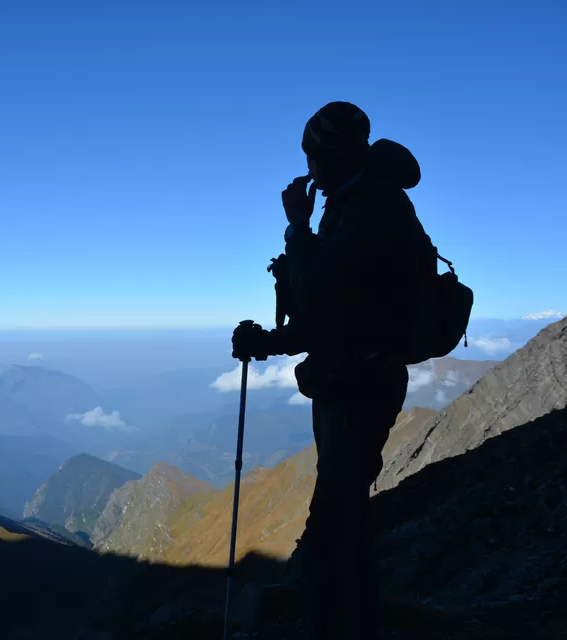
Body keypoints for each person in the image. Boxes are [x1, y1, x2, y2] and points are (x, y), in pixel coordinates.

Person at [231, 101, 428, 639]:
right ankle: (346, 618)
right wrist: (269, 341)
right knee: (341, 516)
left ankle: (340, 624)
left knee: (337, 521)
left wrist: (297, 227)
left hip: (359, 386)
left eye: (313, 157)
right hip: (355, 378)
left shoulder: (372, 208)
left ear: (332, 157)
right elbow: (337, 313)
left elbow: (321, 300)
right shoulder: (356, 204)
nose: (308, 170)